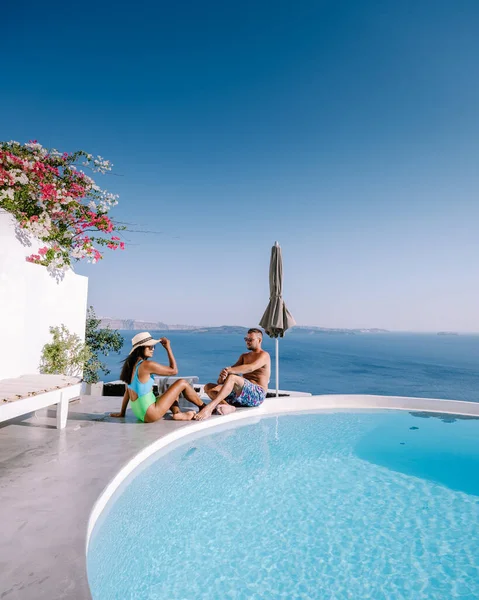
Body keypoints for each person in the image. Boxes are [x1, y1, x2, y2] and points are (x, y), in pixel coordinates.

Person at [110, 332, 205, 423]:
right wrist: (168, 348)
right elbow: (174, 371)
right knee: (182, 383)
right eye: (150, 346)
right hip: (150, 414)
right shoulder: (147, 365)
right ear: (140, 348)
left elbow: (128, 391)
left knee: (172, 392)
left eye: (153, 346)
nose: (153, 349)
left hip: (139, 412)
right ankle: (204, 407)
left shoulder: (130, 365)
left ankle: (178, 413)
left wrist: (122, 413)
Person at [195, 328, 271, 421]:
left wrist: (230, 371)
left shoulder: (264, 355)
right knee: (208, 387)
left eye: (250, 340)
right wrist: (223, 375)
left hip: (257, 395)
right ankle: (228, 407)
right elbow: (224, 379)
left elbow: (250, 367)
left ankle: (209, 408)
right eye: (246, 339)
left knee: (233, 378)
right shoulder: (244, 356)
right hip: (240, 395)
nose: (247, 342)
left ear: (259, 340)